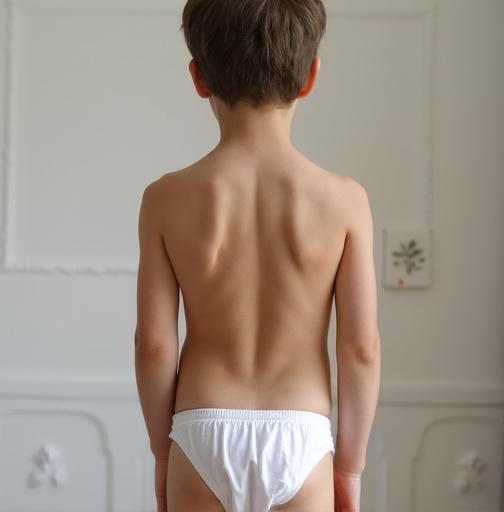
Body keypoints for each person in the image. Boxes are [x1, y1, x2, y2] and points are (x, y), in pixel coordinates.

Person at [134, 1, 381, 511]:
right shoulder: (344, 199)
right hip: (302, 433)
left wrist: (164, 455)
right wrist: (350, 467)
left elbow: (154, 346)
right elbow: (361, 350)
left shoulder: (166, 197)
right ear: (311, 77)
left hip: (202, 426)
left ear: (198, 77)